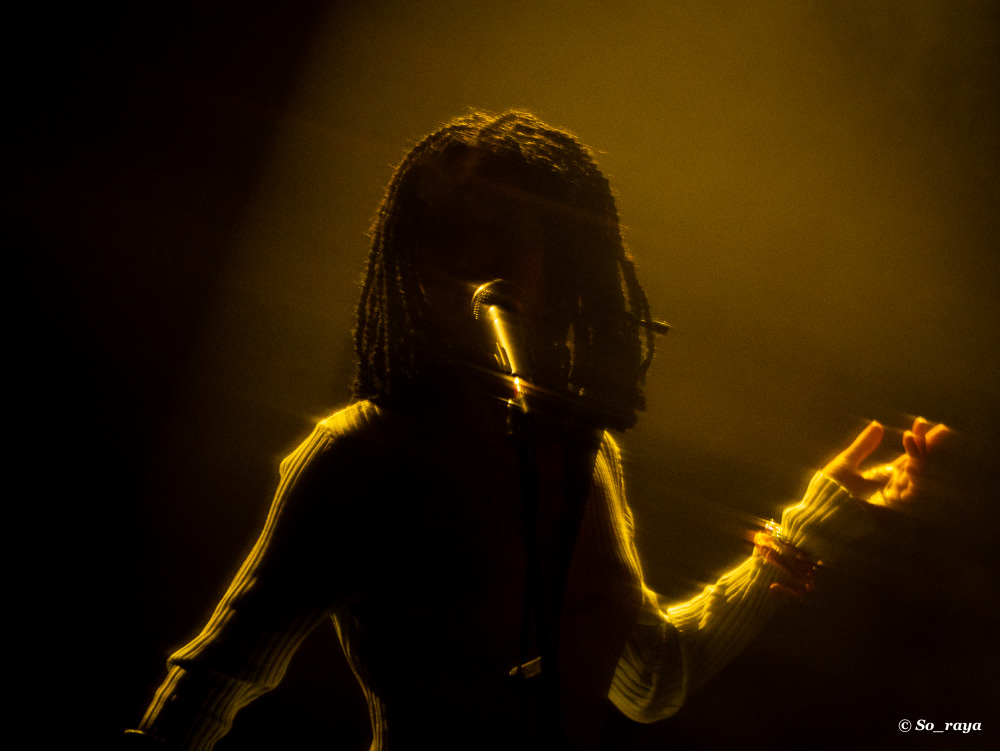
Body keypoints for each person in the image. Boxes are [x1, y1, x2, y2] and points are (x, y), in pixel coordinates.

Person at [125, 110, 946, 750]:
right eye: (443, 228)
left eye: (506, 230)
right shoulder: (361, 454)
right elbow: (213, 682)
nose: (470, 258)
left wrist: (817, 519)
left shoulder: (583, 452)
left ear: (564, 259)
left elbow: (649, 681)